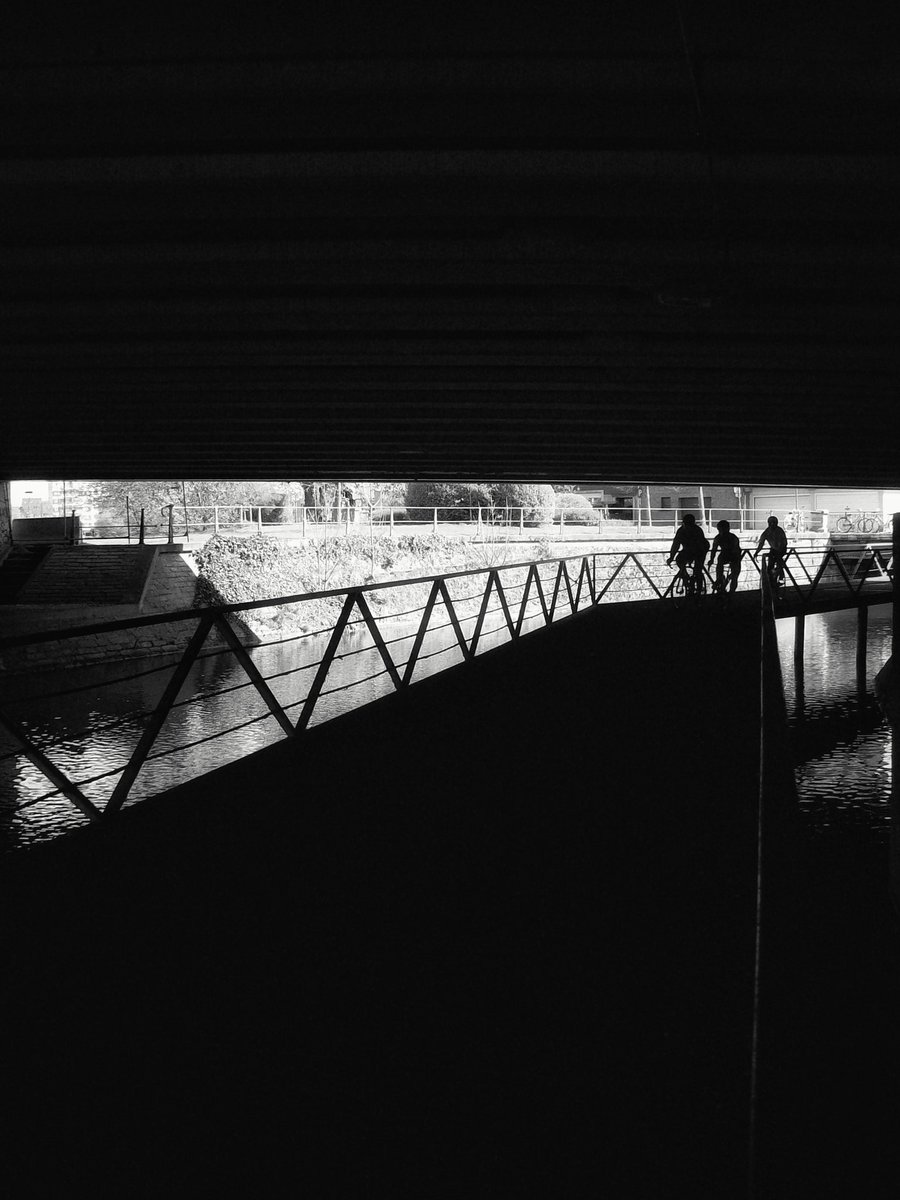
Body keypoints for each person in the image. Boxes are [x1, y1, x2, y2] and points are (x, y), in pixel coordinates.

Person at [666, 512, 709, 591]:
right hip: (689, 549)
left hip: (701, 549)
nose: (687, 527)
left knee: (698, 569)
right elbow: (676, 545)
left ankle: (699, 589)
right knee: (679, 560)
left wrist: (694, 558)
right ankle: (685, 576)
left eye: (689, 525)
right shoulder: (681, 531)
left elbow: (699, 547)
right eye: (686, 524)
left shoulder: (697, 530)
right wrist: (672, 557)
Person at [709, 519, 742, 598]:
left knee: (735, 575)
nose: (722, 532)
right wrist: (711, 559)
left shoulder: (733, 538)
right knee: (720, 560)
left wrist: (712, 559)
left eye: (723, 529)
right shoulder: (719, 538)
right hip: (726, 554)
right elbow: (714, 549)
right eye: (720, 530)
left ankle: (731, 592)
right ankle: (720, 578)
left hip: (735, 555)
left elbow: (736, 551)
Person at [756, 515, 788, 586]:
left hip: (781, 549)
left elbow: (784, 542)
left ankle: (780, 577)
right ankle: (771, 580)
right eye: (771, 523)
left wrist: (780, 549)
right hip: (774, 550)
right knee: (770, 566)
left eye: (774, 523)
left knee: (778, 561)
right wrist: (756, 552)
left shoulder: (779, 530)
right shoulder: (767, 531)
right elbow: (761, 543)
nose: (772, 524)